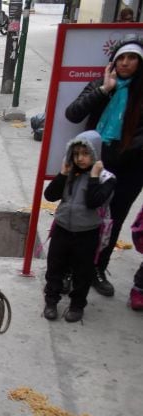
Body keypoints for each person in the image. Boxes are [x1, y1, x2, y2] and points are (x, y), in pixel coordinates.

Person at [65, 37, 143, 301]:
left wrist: (126, 150)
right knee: (79, 214)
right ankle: (70, 270)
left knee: (114, 219)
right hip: (94, 164)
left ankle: (98, 268)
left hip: (129, 169)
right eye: (121, 58)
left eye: (131, 58)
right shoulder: (101, 85)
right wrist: (103, 90)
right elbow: (73, 113)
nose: (125, 63)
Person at [42, 131, 116, 322]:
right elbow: (50, 195)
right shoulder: (70, 173)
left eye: (85, 153)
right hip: (62, 228)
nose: (80, 158)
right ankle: (51, 301)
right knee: (55, 268)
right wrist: (62, 174)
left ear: (95, 154)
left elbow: (93, 202)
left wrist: (93, 176)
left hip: (87, 233)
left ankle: (77, 305)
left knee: (83, 272)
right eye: (76, 154)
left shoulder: (106, 178)